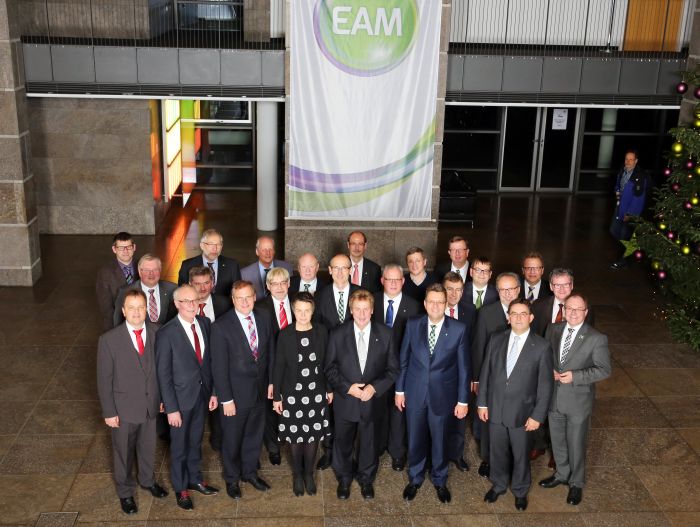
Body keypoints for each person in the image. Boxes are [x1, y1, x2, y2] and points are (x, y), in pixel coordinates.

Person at [395, 284, 471, 504]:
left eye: (440, 302)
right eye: (432, 302)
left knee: (440, 440)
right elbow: (403, 360)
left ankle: (440, 479)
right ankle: (415, 478)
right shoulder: (413, 324)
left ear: (446, 304)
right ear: (425, 303)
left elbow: (464, 368)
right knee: (415, 438)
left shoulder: (458, 329)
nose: (436, 306)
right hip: (415, 393)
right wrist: (399, 390)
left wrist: (463, 400)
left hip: (443, 396)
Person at [477, 299, 553, 512]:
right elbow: (486, 373)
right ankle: (498, 484)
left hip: (523, 413)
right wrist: (482, 403)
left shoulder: (541, 346)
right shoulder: (496, 339)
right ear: (508, 317)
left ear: (531, 317)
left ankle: (520, 490)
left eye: (523, 314)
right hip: (495, 409)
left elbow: (545, 385)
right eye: (514, 314)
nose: (518, 318)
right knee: (497, 451)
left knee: (521, 455)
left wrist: (537, 416)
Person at [97, 290, 168, 515]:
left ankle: (147, 480)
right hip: (123, 408)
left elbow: (163, 370)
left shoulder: (158, 332)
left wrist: (162, 398)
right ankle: (125, 491)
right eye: (131, 308)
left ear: (147, 310)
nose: (136, 312)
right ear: (123, 310)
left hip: (150, 404)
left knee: (148, 447)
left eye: (140, 307)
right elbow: (104, 379)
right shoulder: (109, 340)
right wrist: (109, 411)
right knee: (123, 452)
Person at [325, 290, 399, 500]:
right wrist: (348, 388)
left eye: (366, 309)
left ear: (372, 310)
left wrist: (374, 388)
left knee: (369, 443)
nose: (362, 313)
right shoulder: (337, 334)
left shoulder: (386, 334)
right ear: (351, 310)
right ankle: (344, 478)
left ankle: (366, 479)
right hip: (346, 399)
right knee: (343, 442)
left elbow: (393, 370)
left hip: (372, 401)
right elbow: (329, 368)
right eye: (357, 309)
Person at [539, 294, 611, 506]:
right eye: (569, 308)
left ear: (585, 312)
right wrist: (548, 370)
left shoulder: (596, 338)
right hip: (554, 397)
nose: (573, 313)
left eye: (578, 309)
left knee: (576, 443)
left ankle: (576, 483)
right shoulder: (553, 329)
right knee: (557, 440)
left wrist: (576, 377)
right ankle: (562, 474)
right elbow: (545, 356)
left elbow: (604, 369)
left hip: (578, 401)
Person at [155, 285, 219, 511]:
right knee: (180, 446)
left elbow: (210, 362)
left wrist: (213, 392)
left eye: (195, 300)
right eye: (186, 301)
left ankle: (195, 478)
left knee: (195, 441)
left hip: (202, 395)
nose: (192, 305)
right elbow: (163, 374)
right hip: (180, 401)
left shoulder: (205, 323)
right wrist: (171, 408)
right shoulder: (166, 333)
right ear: (177, 304)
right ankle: (181, 488)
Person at [210, 280, 274, 499]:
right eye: (240, 298)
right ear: (233, 299)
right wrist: (225, 399)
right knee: (232, 439)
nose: (245, 302)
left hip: (260, 390)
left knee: (254, 435)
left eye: (248, 297)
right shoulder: (221, 326)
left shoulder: (264, 316)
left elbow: (270, 351)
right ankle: (231, 478)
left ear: (254, 297)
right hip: (235, 396)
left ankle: (249, 472)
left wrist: (271, 382)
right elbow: (218, 367)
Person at [272, 292, 331, 496]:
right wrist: (277, 397)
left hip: (316, 392)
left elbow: (327, 363)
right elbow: (278, 367)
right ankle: (297, 474)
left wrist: (329, 389)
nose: (303, 314)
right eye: (299, 310)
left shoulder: (322, 331)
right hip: (292, 394)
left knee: (313, 435)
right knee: (295, 437)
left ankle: (308, 474)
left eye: (307, 310)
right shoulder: (285, 334)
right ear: (293, 310)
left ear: (312, 311)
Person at [470, 272, 521, 478]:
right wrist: (476, 379)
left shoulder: (526, 311)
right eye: (503, 290)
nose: (507, 294)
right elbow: (478, 347)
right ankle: (488, 459)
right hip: (492, 379)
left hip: (519, 380)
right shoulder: (486, 313)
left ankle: (514, 459)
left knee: (515, 420)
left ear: (518, 290)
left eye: (511, 289)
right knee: (489, 422)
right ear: (497, 291)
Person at [313, 254, 360, 469]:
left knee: (352, 408)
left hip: (355, 362)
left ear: (351, 270)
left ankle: (352, 452)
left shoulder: (361, 293)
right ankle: (329, 450)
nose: (340, 272)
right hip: (328, 362)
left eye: (345, 268)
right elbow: (316, 330)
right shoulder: (320, 296)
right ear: (330, 270)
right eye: (336, 268)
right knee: (328, 409)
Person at [372, 263, 421, 471]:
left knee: (399, 410)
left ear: (403, 281)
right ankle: (378, 446)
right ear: (382, 281)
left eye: (397, 280)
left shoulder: (414, 306)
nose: (393, 283)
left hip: (403, 368)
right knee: (377, 409)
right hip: (375, 368)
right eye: (388, 279)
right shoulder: (372, 301)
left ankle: (397, 452)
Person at [188, 265, 231, 452]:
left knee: (219, 407)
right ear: (190, 284)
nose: (203, 288)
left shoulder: (224, 303)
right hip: (193, 367)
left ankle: (218, 440)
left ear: (212, 283)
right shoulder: (182, 305)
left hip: (219, 363)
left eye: (206, 283)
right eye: (198, 284)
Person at [255, 267, 295, 466]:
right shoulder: (259, 307)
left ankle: (290, 437)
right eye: (274, 283)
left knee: (292, 404)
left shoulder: (298, 303)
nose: (279, 287)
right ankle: (273, 447)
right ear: (268, 286)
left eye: (283, 283)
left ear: (289, 284)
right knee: (270, 408)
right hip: (268, 366)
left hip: (294, 365)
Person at [442, 271, 476, 472]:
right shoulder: (434, 308)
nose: (453, 294)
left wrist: (472, 377)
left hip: (460, 373)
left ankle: (456, 455)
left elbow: (473, 344)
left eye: (458, 290)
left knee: (459, 418)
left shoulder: (470, 311)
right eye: (449, 289)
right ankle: (437, 454)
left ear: (463, 291)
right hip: (439, 374)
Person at [113, 254, 177, 328]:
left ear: (160, 270)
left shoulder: (173, 289)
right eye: (147, 270)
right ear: (140, 272)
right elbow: (118, 323)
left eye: (155, 269)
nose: (151, 273)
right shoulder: (125, 292)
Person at [610, 150, 649, 269]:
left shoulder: (640, 176)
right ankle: (632, 247)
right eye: (626, 159)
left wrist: (630, 214)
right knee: (614, 230)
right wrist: (617, 191)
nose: (628, 161)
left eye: (631, 159)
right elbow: (618, 184)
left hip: (630, 211)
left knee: (625, 235)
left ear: (636, 161)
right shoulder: (623, 170)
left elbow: (639, 199)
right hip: (620, 207)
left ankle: (623, 261)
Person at [531, 268, 594, 337]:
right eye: (557, 285)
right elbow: (533, 334)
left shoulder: (584, 308)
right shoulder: (538, 306)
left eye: (566, 284)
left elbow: (588, 335)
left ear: (572, 285)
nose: (562, 289)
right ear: (551, 287)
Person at [177, 228, 241, 296]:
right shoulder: (187, 265)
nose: (215, 248)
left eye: (218, 244)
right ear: (202, 246)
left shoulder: (232, 265)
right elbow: (182, 292)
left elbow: (238, 291)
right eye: (211, 244)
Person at [96, 232, 137, 331]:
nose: (125, 251)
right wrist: (117, 329)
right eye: (121, 248)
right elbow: (106, 307)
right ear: (114, 249)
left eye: (129, 247)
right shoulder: (105, 273)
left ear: (134, 247)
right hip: (117, 323)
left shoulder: (142, 266)